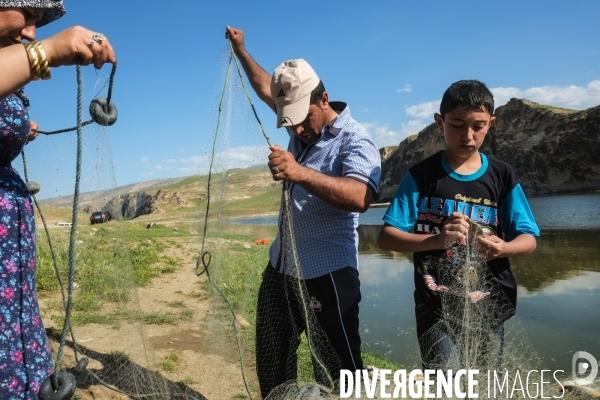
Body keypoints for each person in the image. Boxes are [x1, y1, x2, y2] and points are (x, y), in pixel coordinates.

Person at [226, 26, 381, 397]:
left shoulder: (355, 139)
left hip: (327, 275)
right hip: (281, 269)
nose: (295, 128)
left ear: (324, 99)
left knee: (337, 373)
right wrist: (242, 50)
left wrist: (298, 172)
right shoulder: (299, 127)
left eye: (301, 117)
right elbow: (267, 88)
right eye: (288, 119)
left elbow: (360, 195)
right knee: (272, 360)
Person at [378, 80, 539, 370]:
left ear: (491, 123)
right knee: (441, 381)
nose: (467, 135)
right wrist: (436, 241)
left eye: (478, 126)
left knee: (485, 380)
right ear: (440, 123)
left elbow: (528, 238)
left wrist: (504, 248)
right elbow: (387, 238)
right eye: (456, 124)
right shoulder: (421, 176)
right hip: (434, 305)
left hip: (490, 304)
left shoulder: (502, 176)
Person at [0, 2, 115, 398]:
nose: (31, 31)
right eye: (26, 15)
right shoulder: (30, 52)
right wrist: (46, 51)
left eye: (39, 23)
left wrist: (18, 130)